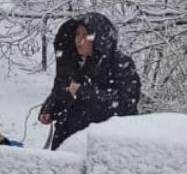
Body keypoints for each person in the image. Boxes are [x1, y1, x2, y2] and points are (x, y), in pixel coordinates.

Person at [38, 13, 140, 150]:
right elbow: (61, 91)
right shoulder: (72, 63)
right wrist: (50, 108)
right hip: (66, 142)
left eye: (85, 35)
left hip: (101, 145)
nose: (79, 40)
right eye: (77, 35)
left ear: (99, 38)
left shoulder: (119, 64)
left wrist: (84, 93)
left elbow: (126, 105)